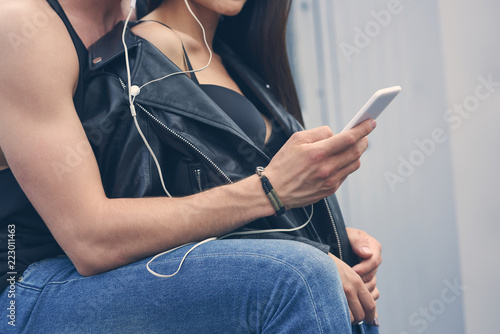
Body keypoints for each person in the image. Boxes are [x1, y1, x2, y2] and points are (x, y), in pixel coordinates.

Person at [0, 0, 382, 332]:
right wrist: (272, 193)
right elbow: (90, 240)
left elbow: (170, 195)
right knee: (303, 278)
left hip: (111, 271)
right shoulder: (23, 26)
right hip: (28, 292)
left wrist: (307, 228)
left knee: (330, 273)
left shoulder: (141, 19)